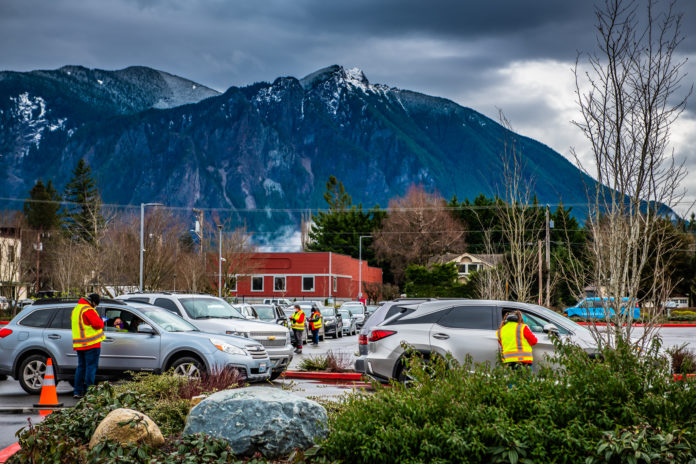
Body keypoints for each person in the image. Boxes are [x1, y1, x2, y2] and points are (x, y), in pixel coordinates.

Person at [71, 293, 105, 398]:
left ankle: (77, 391)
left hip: (80, 344)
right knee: (91, 368)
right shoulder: (88, 310)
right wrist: (102, 320)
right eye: (96, 304)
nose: (95, 306)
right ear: (93, 302)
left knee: (81, 367)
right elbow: (98, 324)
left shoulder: (76, 309)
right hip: (91, 344)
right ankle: (90, 393)